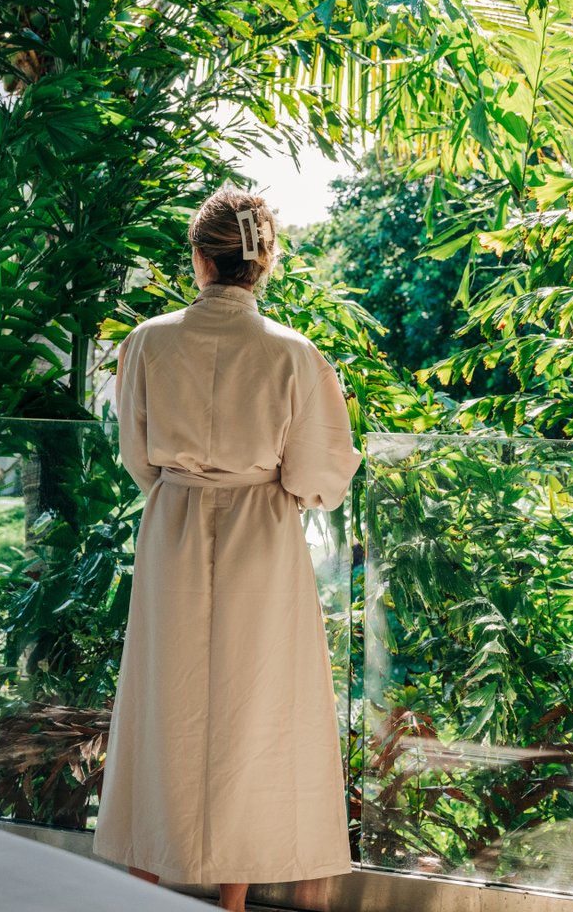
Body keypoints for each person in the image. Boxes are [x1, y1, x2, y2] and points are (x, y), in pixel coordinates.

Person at [92, 187, 362, 912]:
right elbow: (317, 475)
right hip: (261, 535)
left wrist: (184, 482)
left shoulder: (147, 341)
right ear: (262, 261)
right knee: (254, 707)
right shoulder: (293, 355)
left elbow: (137, 455)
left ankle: (142, 883)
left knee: (163, 700)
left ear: (200, 260)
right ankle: (231, 899)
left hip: (174, 525)